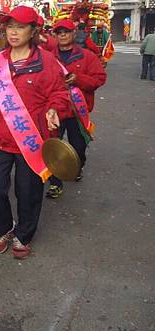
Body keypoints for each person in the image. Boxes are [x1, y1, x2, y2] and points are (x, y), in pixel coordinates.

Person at [0, 5, 69, 259]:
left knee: (28, 191)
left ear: (33, 31)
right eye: (10, 27)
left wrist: (55, 109)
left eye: (20, 27)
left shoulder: (47, 62)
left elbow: (59, 93)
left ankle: (23, 235)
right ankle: (4, 229)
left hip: (30, 141)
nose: (13, 33)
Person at [45, 19, 107, 199]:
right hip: (55, 110)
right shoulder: (48, 56)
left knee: (78, 146)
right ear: (55, 36)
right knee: (53, 146)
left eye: (66, 31)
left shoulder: (88, 56)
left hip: (77, 111)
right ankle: (55, 182)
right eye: (59, 32)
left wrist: (78, 79)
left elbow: (99, 79)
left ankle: (77, 166)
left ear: (74, 34)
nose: (63, 35)